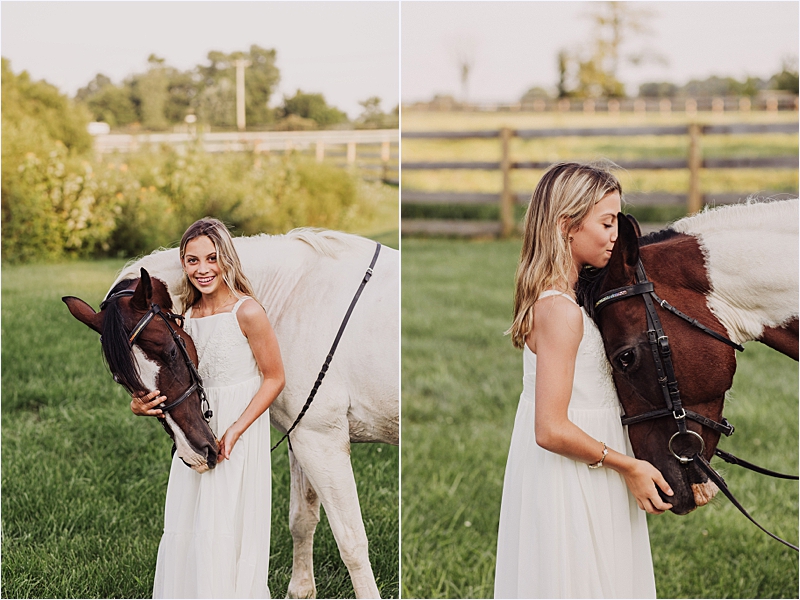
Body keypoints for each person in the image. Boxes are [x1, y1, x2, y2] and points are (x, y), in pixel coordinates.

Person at [494, 162, 673, 599]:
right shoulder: (559, 310)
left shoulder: (572, 299)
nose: (615, 234)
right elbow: (550, 428)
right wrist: (629, 466)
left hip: (590, 464)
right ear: (566, 225)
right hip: (571, 477)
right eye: (606, 222)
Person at [131, 217, 285, 598]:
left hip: (235, 429)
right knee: (189, 518)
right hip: (194, 424)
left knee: (224, 521)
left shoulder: (247, 312)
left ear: (227, 259)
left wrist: (236, 429)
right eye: (192, 260)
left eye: (211, 258)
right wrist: (140, 403)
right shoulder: (184, 315)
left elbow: (274, 377)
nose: (203, 269)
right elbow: (168, 375)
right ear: (183, 264)